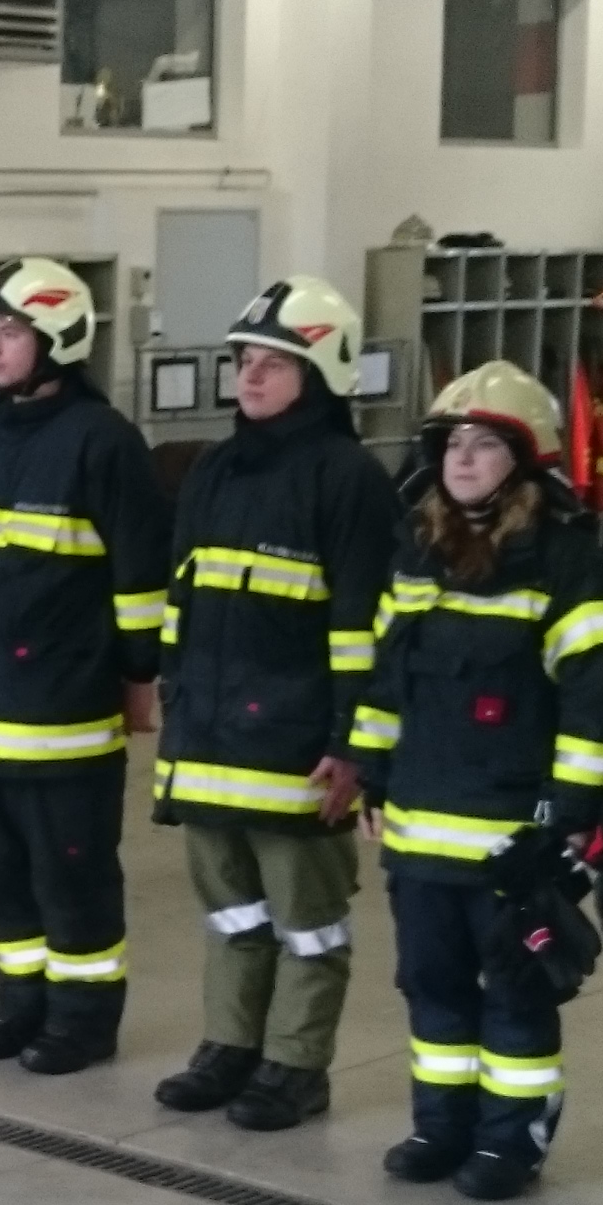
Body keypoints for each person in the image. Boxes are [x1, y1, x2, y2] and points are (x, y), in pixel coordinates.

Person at [343, 363, 603, 1196]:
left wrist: (568, 817)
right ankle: (441, 1128)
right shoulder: (418, 556)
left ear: (527, 460)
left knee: (515, 993)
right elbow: (385, 681)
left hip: (514, 838)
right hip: (420, 830)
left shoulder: (567, 566)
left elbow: (596, 702)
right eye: (451, 445)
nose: (463, 459)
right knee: (430, 986)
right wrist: (373, 775)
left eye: (483, 444)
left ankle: (512, 1143)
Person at [148, 278, 400, 1130]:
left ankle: (295, 1065)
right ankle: (229, 1047)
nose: (250, 376)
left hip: (299, 748)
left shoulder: (350, 478)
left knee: (307, 922)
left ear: (323, 371)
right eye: (245, 360)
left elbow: (365, 625)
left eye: (273, 362)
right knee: (231, 912)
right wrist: (175, 708)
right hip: (209, 739)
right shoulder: (215, 468)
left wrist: (352, 741)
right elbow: (182, 605)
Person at [0, 259, 171, 1076]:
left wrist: (139, 678)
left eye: (9, 333)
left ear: (59, 338)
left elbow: (140, 580)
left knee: (72, 875)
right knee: (4, 876)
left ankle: (83, 1020)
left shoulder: (104, 441)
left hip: (69, 710)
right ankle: (20, 1006)